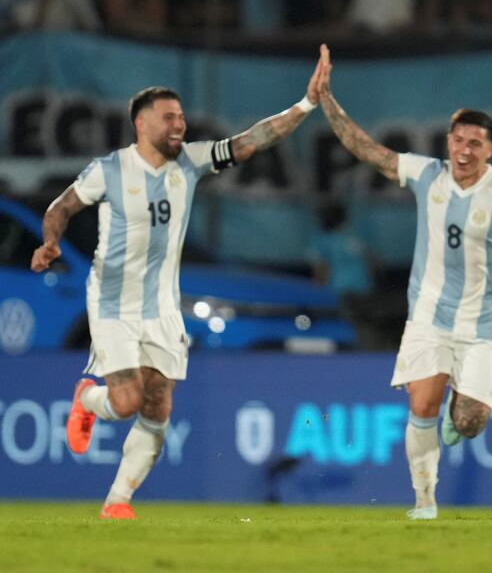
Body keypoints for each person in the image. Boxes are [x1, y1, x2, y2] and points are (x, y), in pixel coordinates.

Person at [30, 49, 330, 520]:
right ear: (142, 123)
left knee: (159, 403)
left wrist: (307, 103)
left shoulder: (190, 162)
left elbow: (252, 141)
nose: (180, 124)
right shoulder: (110, 169)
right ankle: (87, 399)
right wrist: (50, 243)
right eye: (169, 117)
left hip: (164, 307)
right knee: (126, 401)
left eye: (182, 117)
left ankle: (117, 502)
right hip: (112, 302)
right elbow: (61, 207)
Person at [315, 45, 492, 521]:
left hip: (483, 325)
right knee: (422, 404)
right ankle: (424, 502)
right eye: (458, 140)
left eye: (475, 143)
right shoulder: (426, 174)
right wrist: (327, 102)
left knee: (471, 421)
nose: (464, 150)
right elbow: (366, 150)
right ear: (448, 142)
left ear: (490, 150)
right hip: (429, 317)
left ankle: (460, 412)